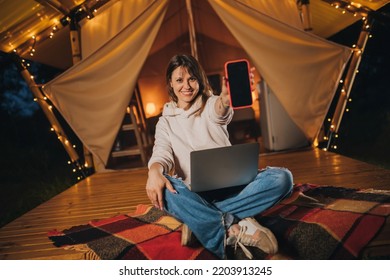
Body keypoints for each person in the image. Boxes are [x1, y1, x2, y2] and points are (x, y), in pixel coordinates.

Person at [146, 54, 293, 259]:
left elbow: (220, 111)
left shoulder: (211, 103)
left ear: (199, 79)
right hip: (195, 193)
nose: (186, 86)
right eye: (179, 80)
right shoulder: (165, 122)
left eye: (192, 79)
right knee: (168, 189)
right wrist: (154, 172)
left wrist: (226, 99)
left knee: (282, 178)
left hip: (235, 187)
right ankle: (231, 225)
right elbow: (161, 153)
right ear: (170, 83)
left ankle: (199, 221)